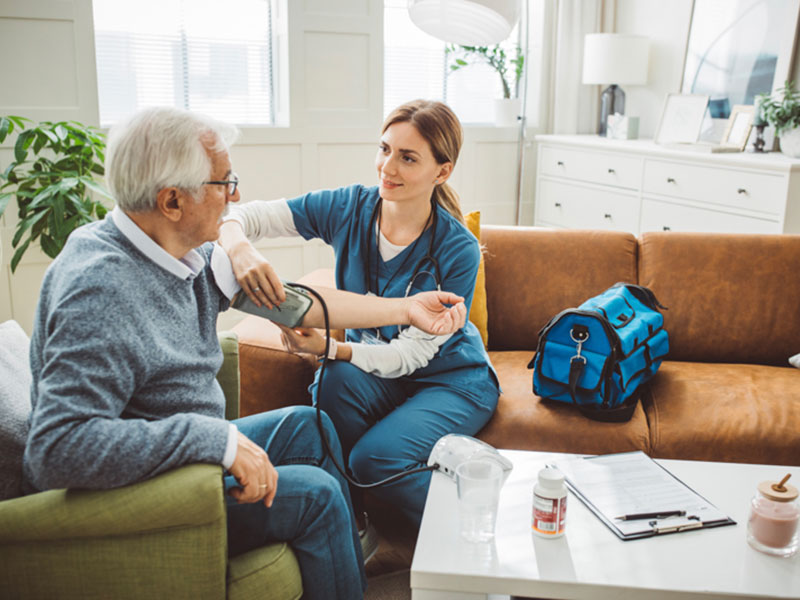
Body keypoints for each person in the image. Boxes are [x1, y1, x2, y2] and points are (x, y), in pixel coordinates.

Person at [22, 106, 468, 600]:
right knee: (316, 497)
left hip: (192, 456)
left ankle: (344, 571)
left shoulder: (183, 253)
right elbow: (56, 451)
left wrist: (407, 309)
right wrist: (216, 441)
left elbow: (296, 306)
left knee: (311, 425)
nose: (235, 196)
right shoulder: (100, 290)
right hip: (152, 487)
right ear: (172, 200)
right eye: (223, 182)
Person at [219, 99, 501, 527]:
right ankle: (348, 519)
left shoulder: (456, 249)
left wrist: (333, 347)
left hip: (449, 379)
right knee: (333, 381)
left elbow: (410, 357)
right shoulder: (349, 208)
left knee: (373, 460)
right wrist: (238, 247)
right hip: (379, 376)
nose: (388, 167)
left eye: (408, 158)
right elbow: (241, 214)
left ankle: (483, 524)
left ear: (441, 172)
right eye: (385, 149)